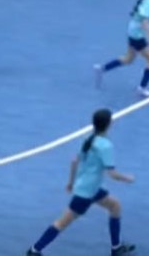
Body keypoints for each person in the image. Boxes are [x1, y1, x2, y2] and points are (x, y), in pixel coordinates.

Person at [26, 109, 135, 256]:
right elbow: (112, 173)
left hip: (89, 187)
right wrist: (127, 178)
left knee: (115, 206)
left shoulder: (88, 138)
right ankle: (34, 250)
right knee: (62, 222)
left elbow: (74, 161)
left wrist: (71, 183)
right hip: (88, 192)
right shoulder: (106, 146)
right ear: (109, 124)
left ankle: (116, 247)